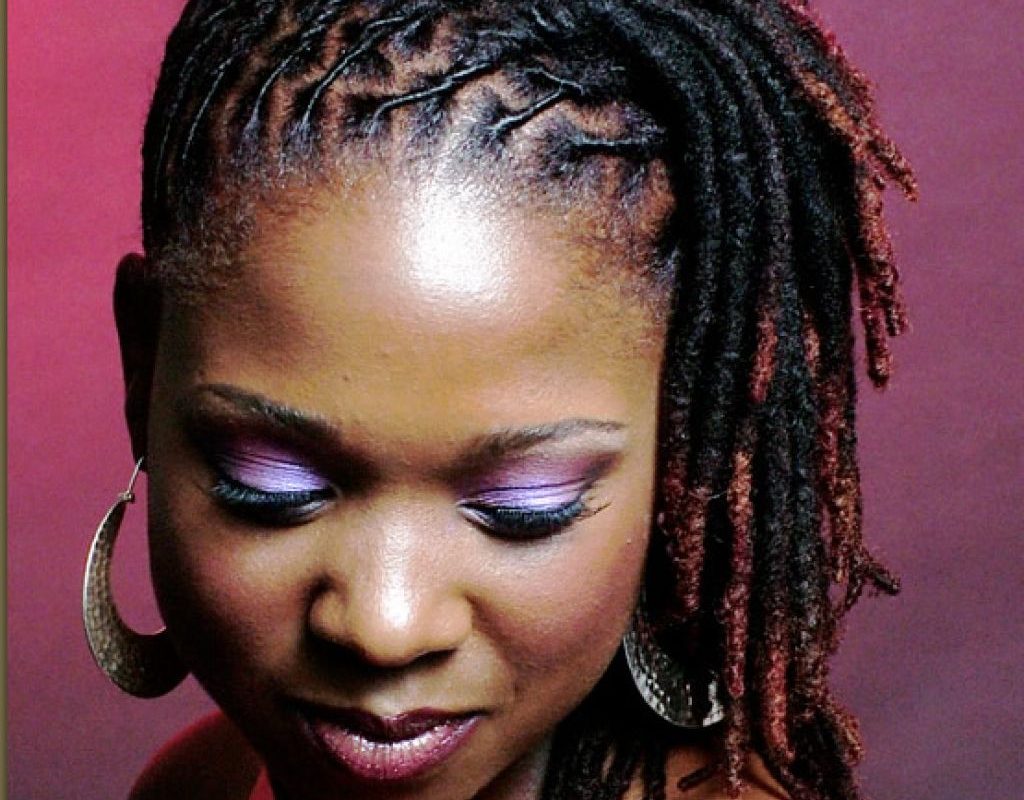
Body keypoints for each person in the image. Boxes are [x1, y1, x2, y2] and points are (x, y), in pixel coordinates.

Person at [81, 1, 916, 798]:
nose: (384, 626)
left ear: (683, 444)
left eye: (524, 506)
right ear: (142, 372)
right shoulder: (199, 782)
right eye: (273, 484)